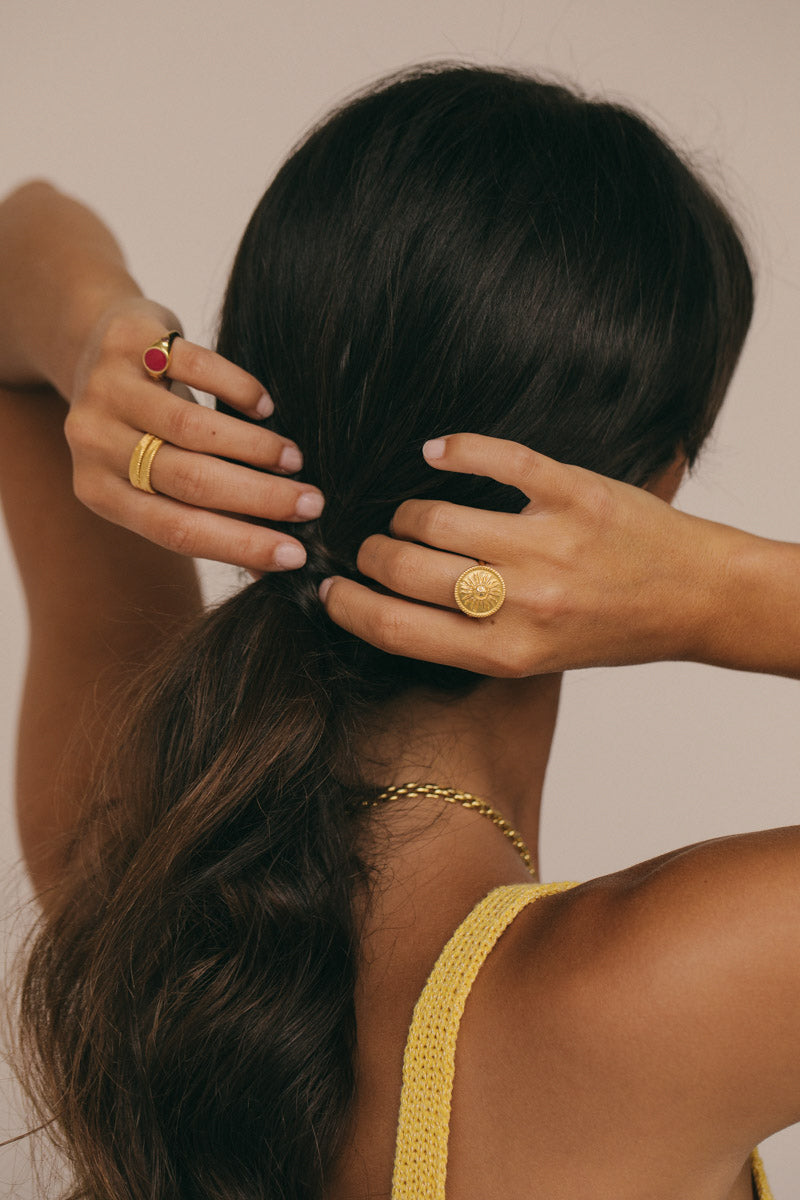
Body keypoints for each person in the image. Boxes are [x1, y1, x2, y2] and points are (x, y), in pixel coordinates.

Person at [0, 62, 796, 1200]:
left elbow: (18, 245)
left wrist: (99, 344)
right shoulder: (657, 999)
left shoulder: (133, 854)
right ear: (650, 495)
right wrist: (726, 591)